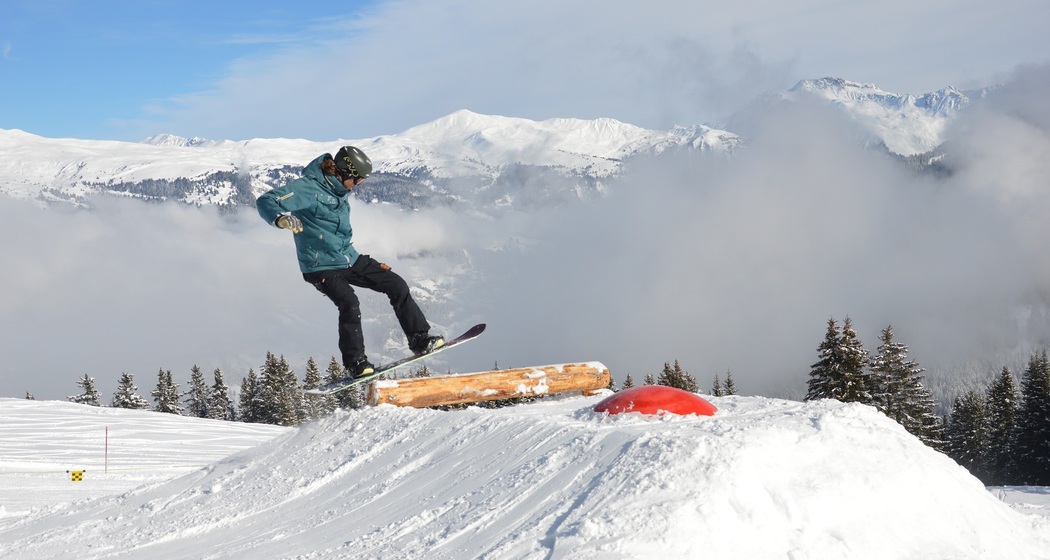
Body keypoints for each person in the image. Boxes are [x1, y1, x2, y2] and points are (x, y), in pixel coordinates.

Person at [256, 146, 443, 379]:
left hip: (348, 259)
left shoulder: (338, 190)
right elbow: (266, 200)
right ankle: (356, 363)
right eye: (358, 180)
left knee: (396, 284)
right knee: (349, 302)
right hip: (320, 266)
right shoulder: (310, 188)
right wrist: (280, 217)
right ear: (344, 172)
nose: (358, 186)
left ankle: (420, 339)